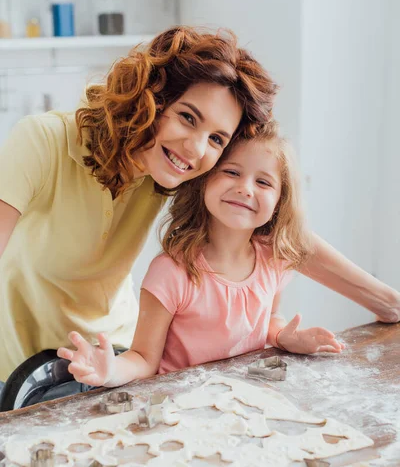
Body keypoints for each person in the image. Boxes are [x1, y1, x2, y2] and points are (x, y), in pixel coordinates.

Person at [0, 26, 398, 385]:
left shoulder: (171, 168)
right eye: (188, 118)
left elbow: (287, 235)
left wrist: (387, 302)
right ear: (151, 97)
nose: (195, 149)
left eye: (217, 139)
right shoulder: (42, 142)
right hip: (19, 370)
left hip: (115, 357)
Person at [57, 125, 345, 386]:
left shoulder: (274, 261)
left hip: (245, 402)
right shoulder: (171, 272)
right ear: (203, 181)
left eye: (264, 182)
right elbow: (144, 358)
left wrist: (283, 336)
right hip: (182, 411)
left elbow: (268, 318)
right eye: (232, 172)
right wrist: (110, 371)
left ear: (280, 201)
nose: (245, 188)